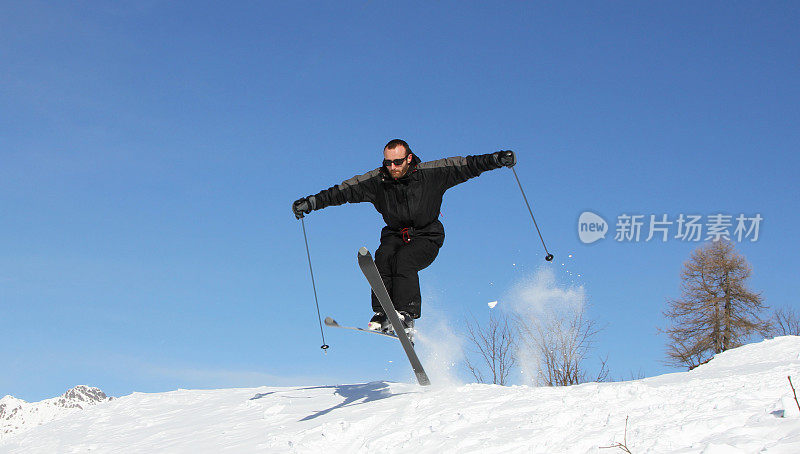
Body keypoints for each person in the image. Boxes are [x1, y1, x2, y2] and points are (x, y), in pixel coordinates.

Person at [292, 139, 515, 335]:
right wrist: (311, 203)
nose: (392, 167)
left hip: (427, 235)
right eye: (388, 163)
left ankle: (406, 315)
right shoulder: (377, 181)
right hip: (395, 234)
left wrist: (497, 159)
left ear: (408, 158)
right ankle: (382, 313)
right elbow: (342, 192)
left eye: (397, 162)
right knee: (383, 257)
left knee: (404, 260)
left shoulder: (432, 173)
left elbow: (466, 165)